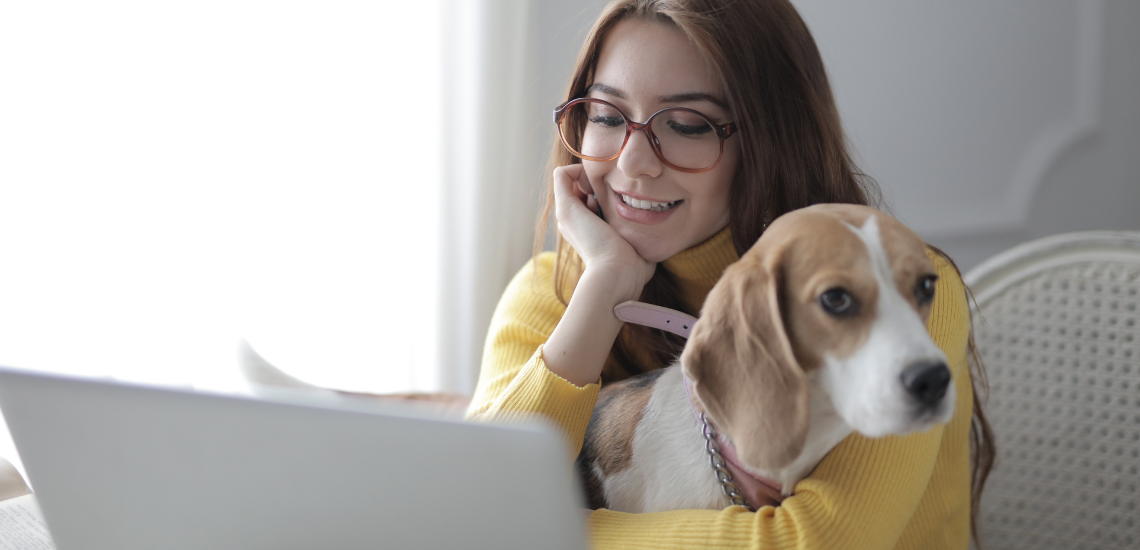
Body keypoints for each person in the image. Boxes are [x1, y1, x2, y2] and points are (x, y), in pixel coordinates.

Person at [466, 1, 995, 548]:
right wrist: (603, 289)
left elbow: (814, 543)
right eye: (606, 116)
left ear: (770, 141)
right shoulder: (551, 290)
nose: (633, 163)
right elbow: (466, 502)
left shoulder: (907, 288)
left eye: (687, 125)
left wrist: (538, 531)